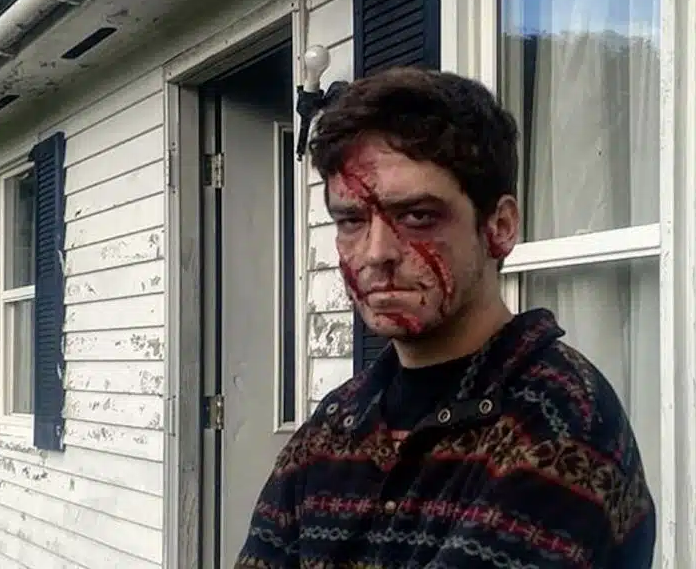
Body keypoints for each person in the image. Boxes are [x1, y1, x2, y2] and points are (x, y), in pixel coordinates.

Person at [235, 67, 657, 568]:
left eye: (417, 216)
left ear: (499, 227)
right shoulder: (336, 424)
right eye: (351, 220)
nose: (376, 252)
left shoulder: (559, 415)